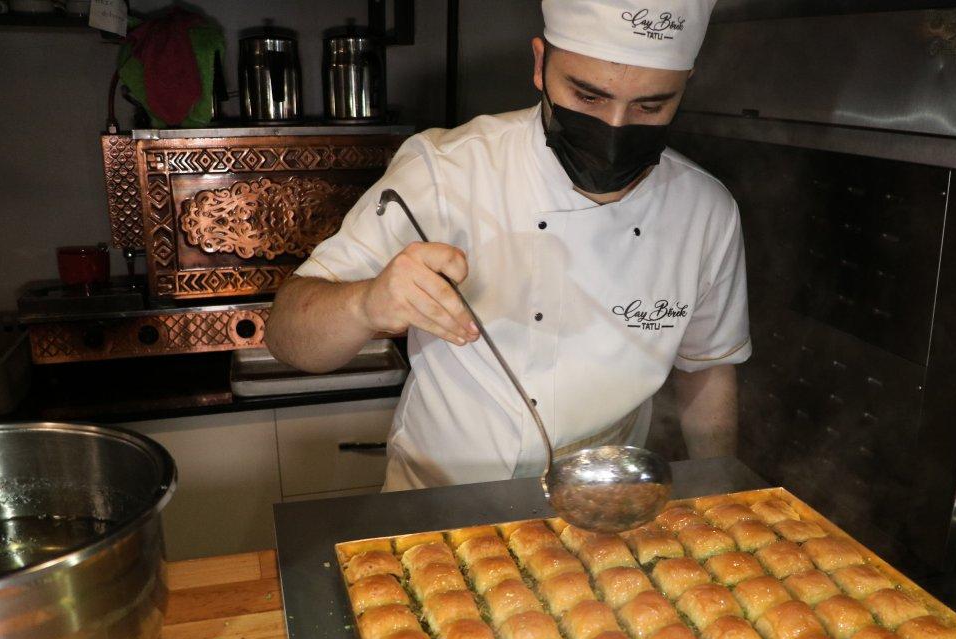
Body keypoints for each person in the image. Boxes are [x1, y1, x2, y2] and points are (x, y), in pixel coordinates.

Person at [265, 0, 750, 491]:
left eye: (650, 106)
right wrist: (366, 302)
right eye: (587, 97)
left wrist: (721, 493)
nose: (615, 129)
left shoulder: (706, 211)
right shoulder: (444, 170)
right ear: (540, 64)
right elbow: (286, 337)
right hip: (436, 503)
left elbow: (706, 370)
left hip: (600, 505)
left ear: (684, 85)